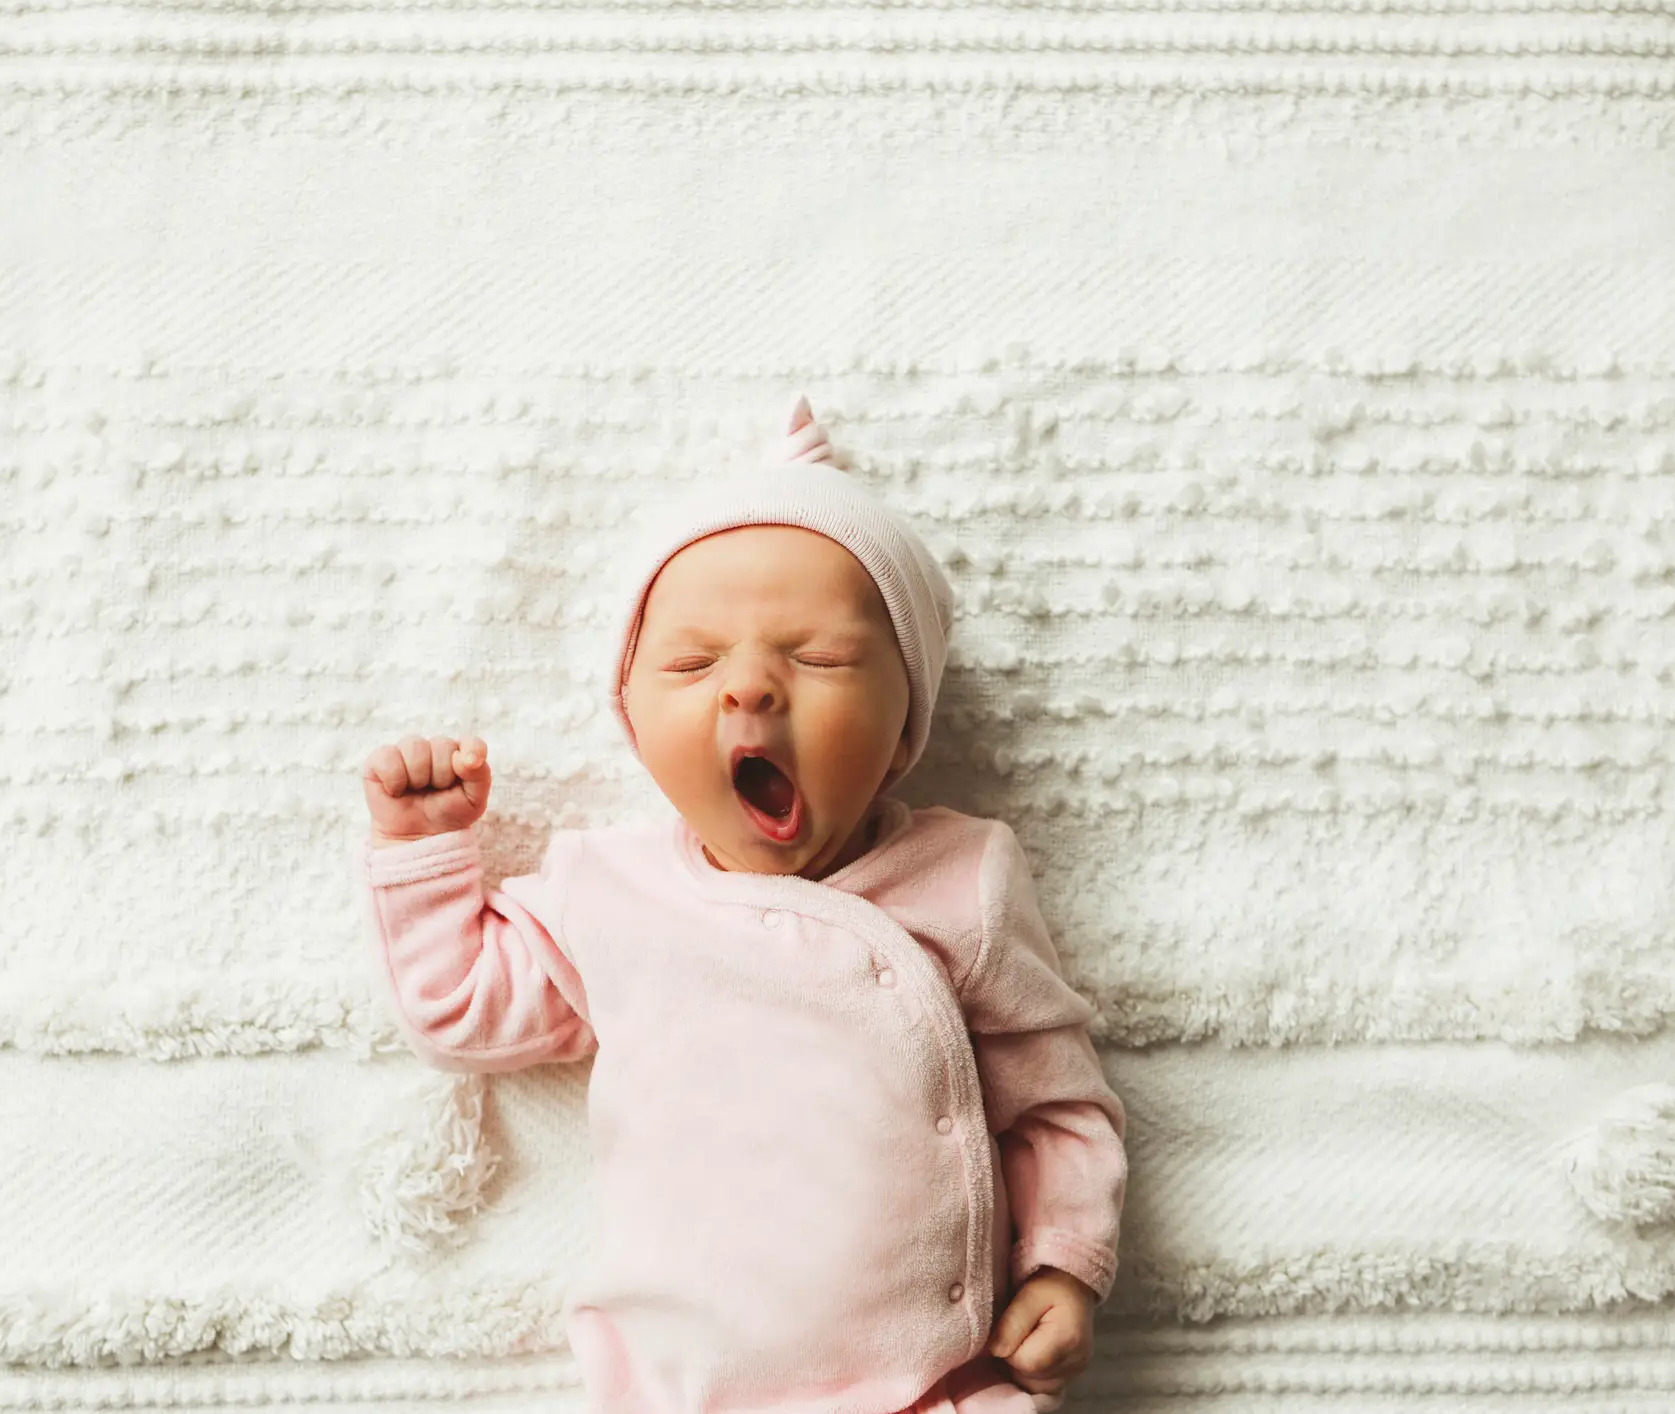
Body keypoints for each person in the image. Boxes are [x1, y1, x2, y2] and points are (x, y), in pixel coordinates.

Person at [358, 395, 1127, 1414]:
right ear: (632, 720)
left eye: (818, 658)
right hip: (680, 1388)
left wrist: (1065, 1263)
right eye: (692, 663)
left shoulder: (960, 878)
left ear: (906, 720)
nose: (750, 688)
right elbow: (459, 1010)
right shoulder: (610, 890)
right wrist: (424, 849)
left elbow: (1057, 1103)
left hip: (935, 1384)